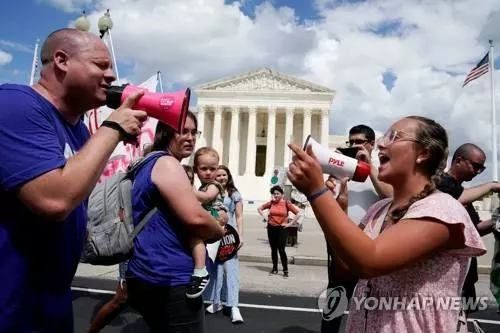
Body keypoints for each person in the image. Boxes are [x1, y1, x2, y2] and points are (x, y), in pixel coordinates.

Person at [0, 28, 147, 333]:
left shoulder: (80, 132)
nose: (111, 76)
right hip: (9, 306)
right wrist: (112, 127)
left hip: (50, 304)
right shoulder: (14, 104)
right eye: (100, 65)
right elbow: (54, 200)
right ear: (62, 60)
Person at [287, 116, 486, 332]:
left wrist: (317, 191)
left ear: (423, 153)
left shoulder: (443, 209)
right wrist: (339, 210)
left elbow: (370, 262)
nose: (381, 143)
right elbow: (345, 269)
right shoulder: (378, 210)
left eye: (393, 137)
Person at [125, 112, 226, 332]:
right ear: (166, 133)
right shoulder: (168, 164)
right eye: (183, 131)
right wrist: (218, 231)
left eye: (193, 132)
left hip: (146, 269)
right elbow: (196, 219)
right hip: (171, 276)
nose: (190, 137)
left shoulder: (149, 162)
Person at [322, 124, 391, 332]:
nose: (354, 146)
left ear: (371, 144)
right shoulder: (343, 169)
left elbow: (390, 196)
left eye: (359, 142)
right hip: (341, 246)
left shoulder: (382, 172)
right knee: (334, 304)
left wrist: (368, 165)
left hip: (369, 247)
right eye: (350, 142)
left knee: (366, 308)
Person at [438, 143, 499, 316]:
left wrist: (496, 220)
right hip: (447, 275)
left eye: (482, 168)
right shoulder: (441, 185)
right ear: (459, 160)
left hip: (465, 274)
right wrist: (491, 186)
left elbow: (476, 229)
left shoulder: (462, 193)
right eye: (476, 166)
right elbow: (452, 201)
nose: (478, 172)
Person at [205, 165, 244, 323]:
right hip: (214, 235)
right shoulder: (210, 192)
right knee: (215, 269)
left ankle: (234, 306)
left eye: (224, 175)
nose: (221, 177)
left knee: (230, 269)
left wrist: (241, 235)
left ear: (228, 176)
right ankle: (216, 302)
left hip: (229, 236)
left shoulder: (234, 193)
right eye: (218, 175)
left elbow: (239, 216)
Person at [187, 147, 227, 298]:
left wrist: (187, 189)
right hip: (209, 215)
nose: (209, 172)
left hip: (214, 215)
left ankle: (200, 270)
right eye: (204, 169)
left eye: (213, 168)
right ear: (196, 170)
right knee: (195, 240)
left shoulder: (214, 185)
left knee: (195, 238)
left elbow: (206, 198)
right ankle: (200, 267)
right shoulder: (203, 186)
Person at [257, 185, 302, 278]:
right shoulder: (271, 203)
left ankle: (285, 270)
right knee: (273, 249)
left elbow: (298, 213)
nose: (276, 195)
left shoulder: (286, 203)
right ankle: (274, 268)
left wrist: (290, 224)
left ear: (282, 194)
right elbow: (259, 208)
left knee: (281, 250)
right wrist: (265, 217)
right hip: (271, 228)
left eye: (278, 194)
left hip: (282, 229)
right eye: (274, 194)